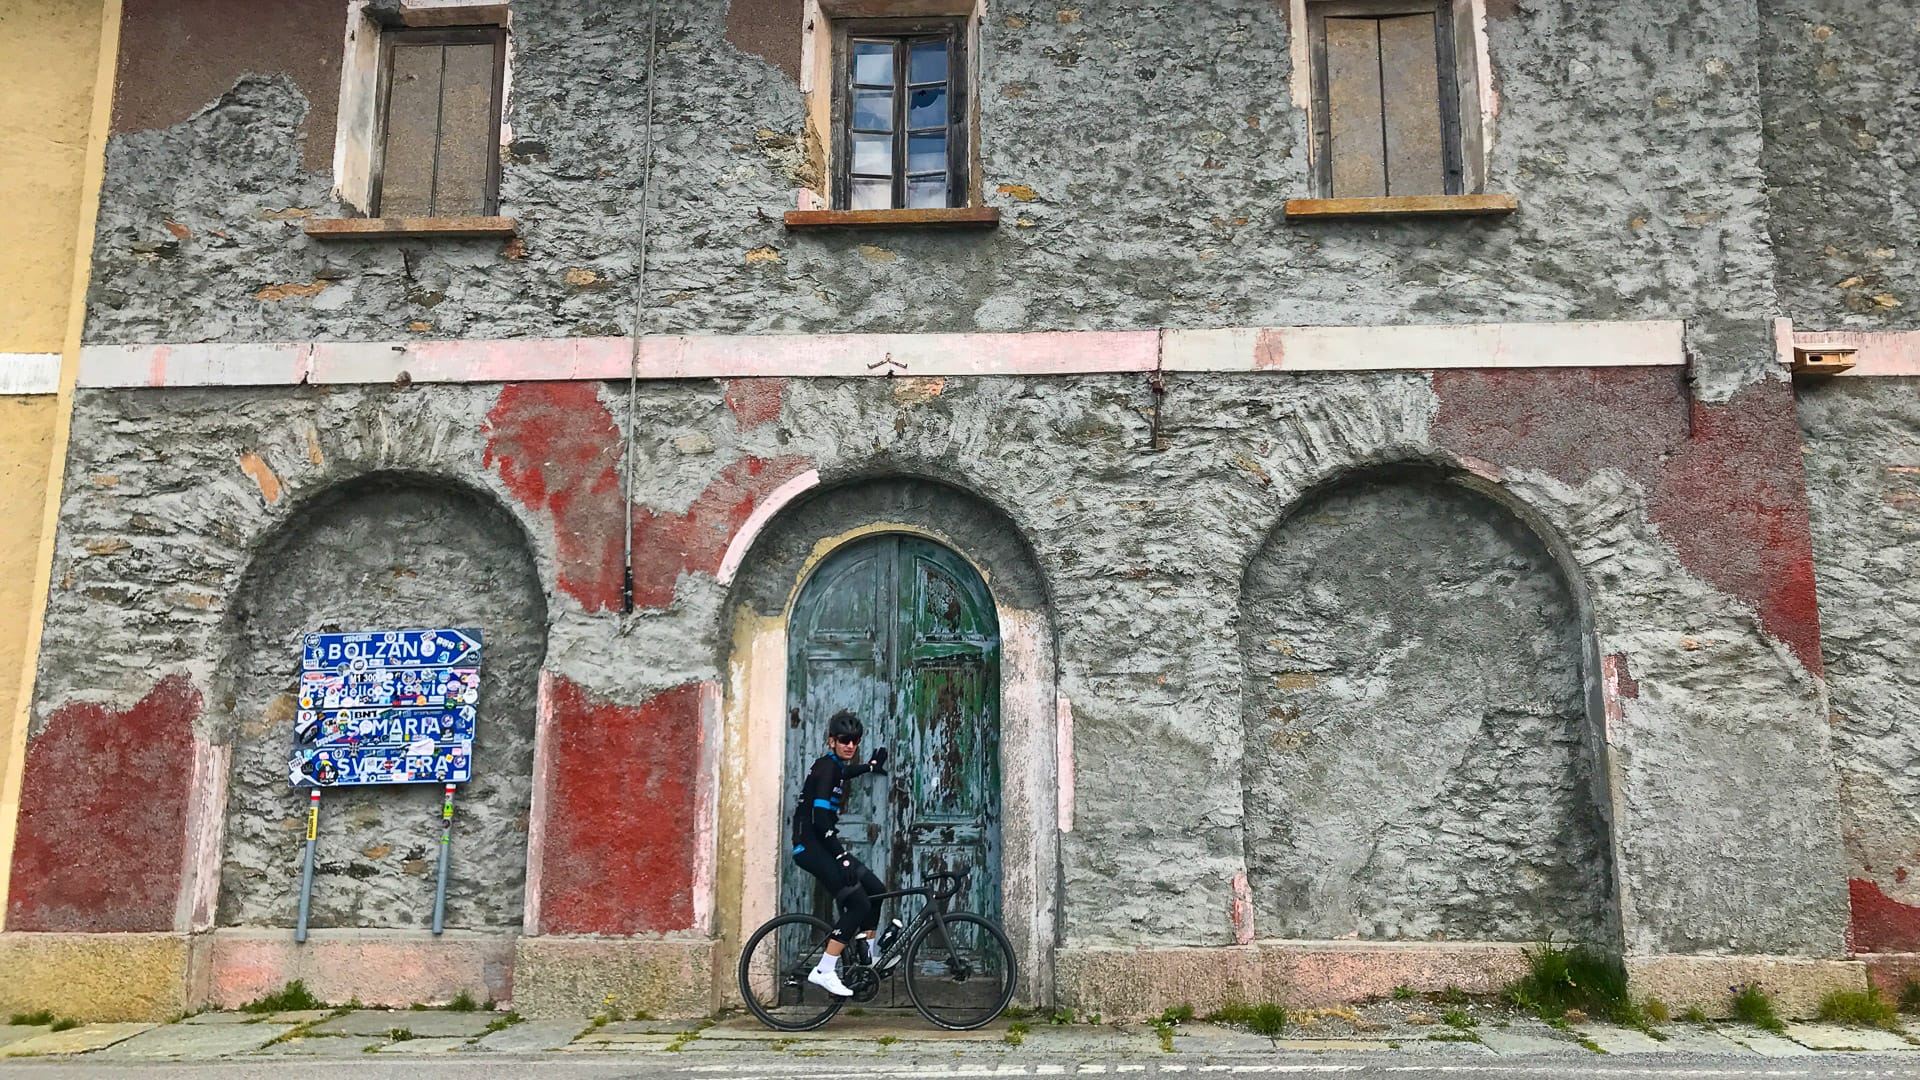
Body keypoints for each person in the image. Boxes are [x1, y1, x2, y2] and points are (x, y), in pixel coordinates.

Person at [790, 709, 890, 997]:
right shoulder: (826, 769)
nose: (850, 745)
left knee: (876, 891)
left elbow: (845, 772)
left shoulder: (833, 765)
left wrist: (869, 766)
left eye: (855, 741)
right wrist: (841, 857)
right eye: (844, 739)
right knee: (858, 904)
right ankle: (824, 969)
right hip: (811, 848)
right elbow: (820, 821)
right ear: (831, 741)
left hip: (822, 846)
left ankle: (867, 957)